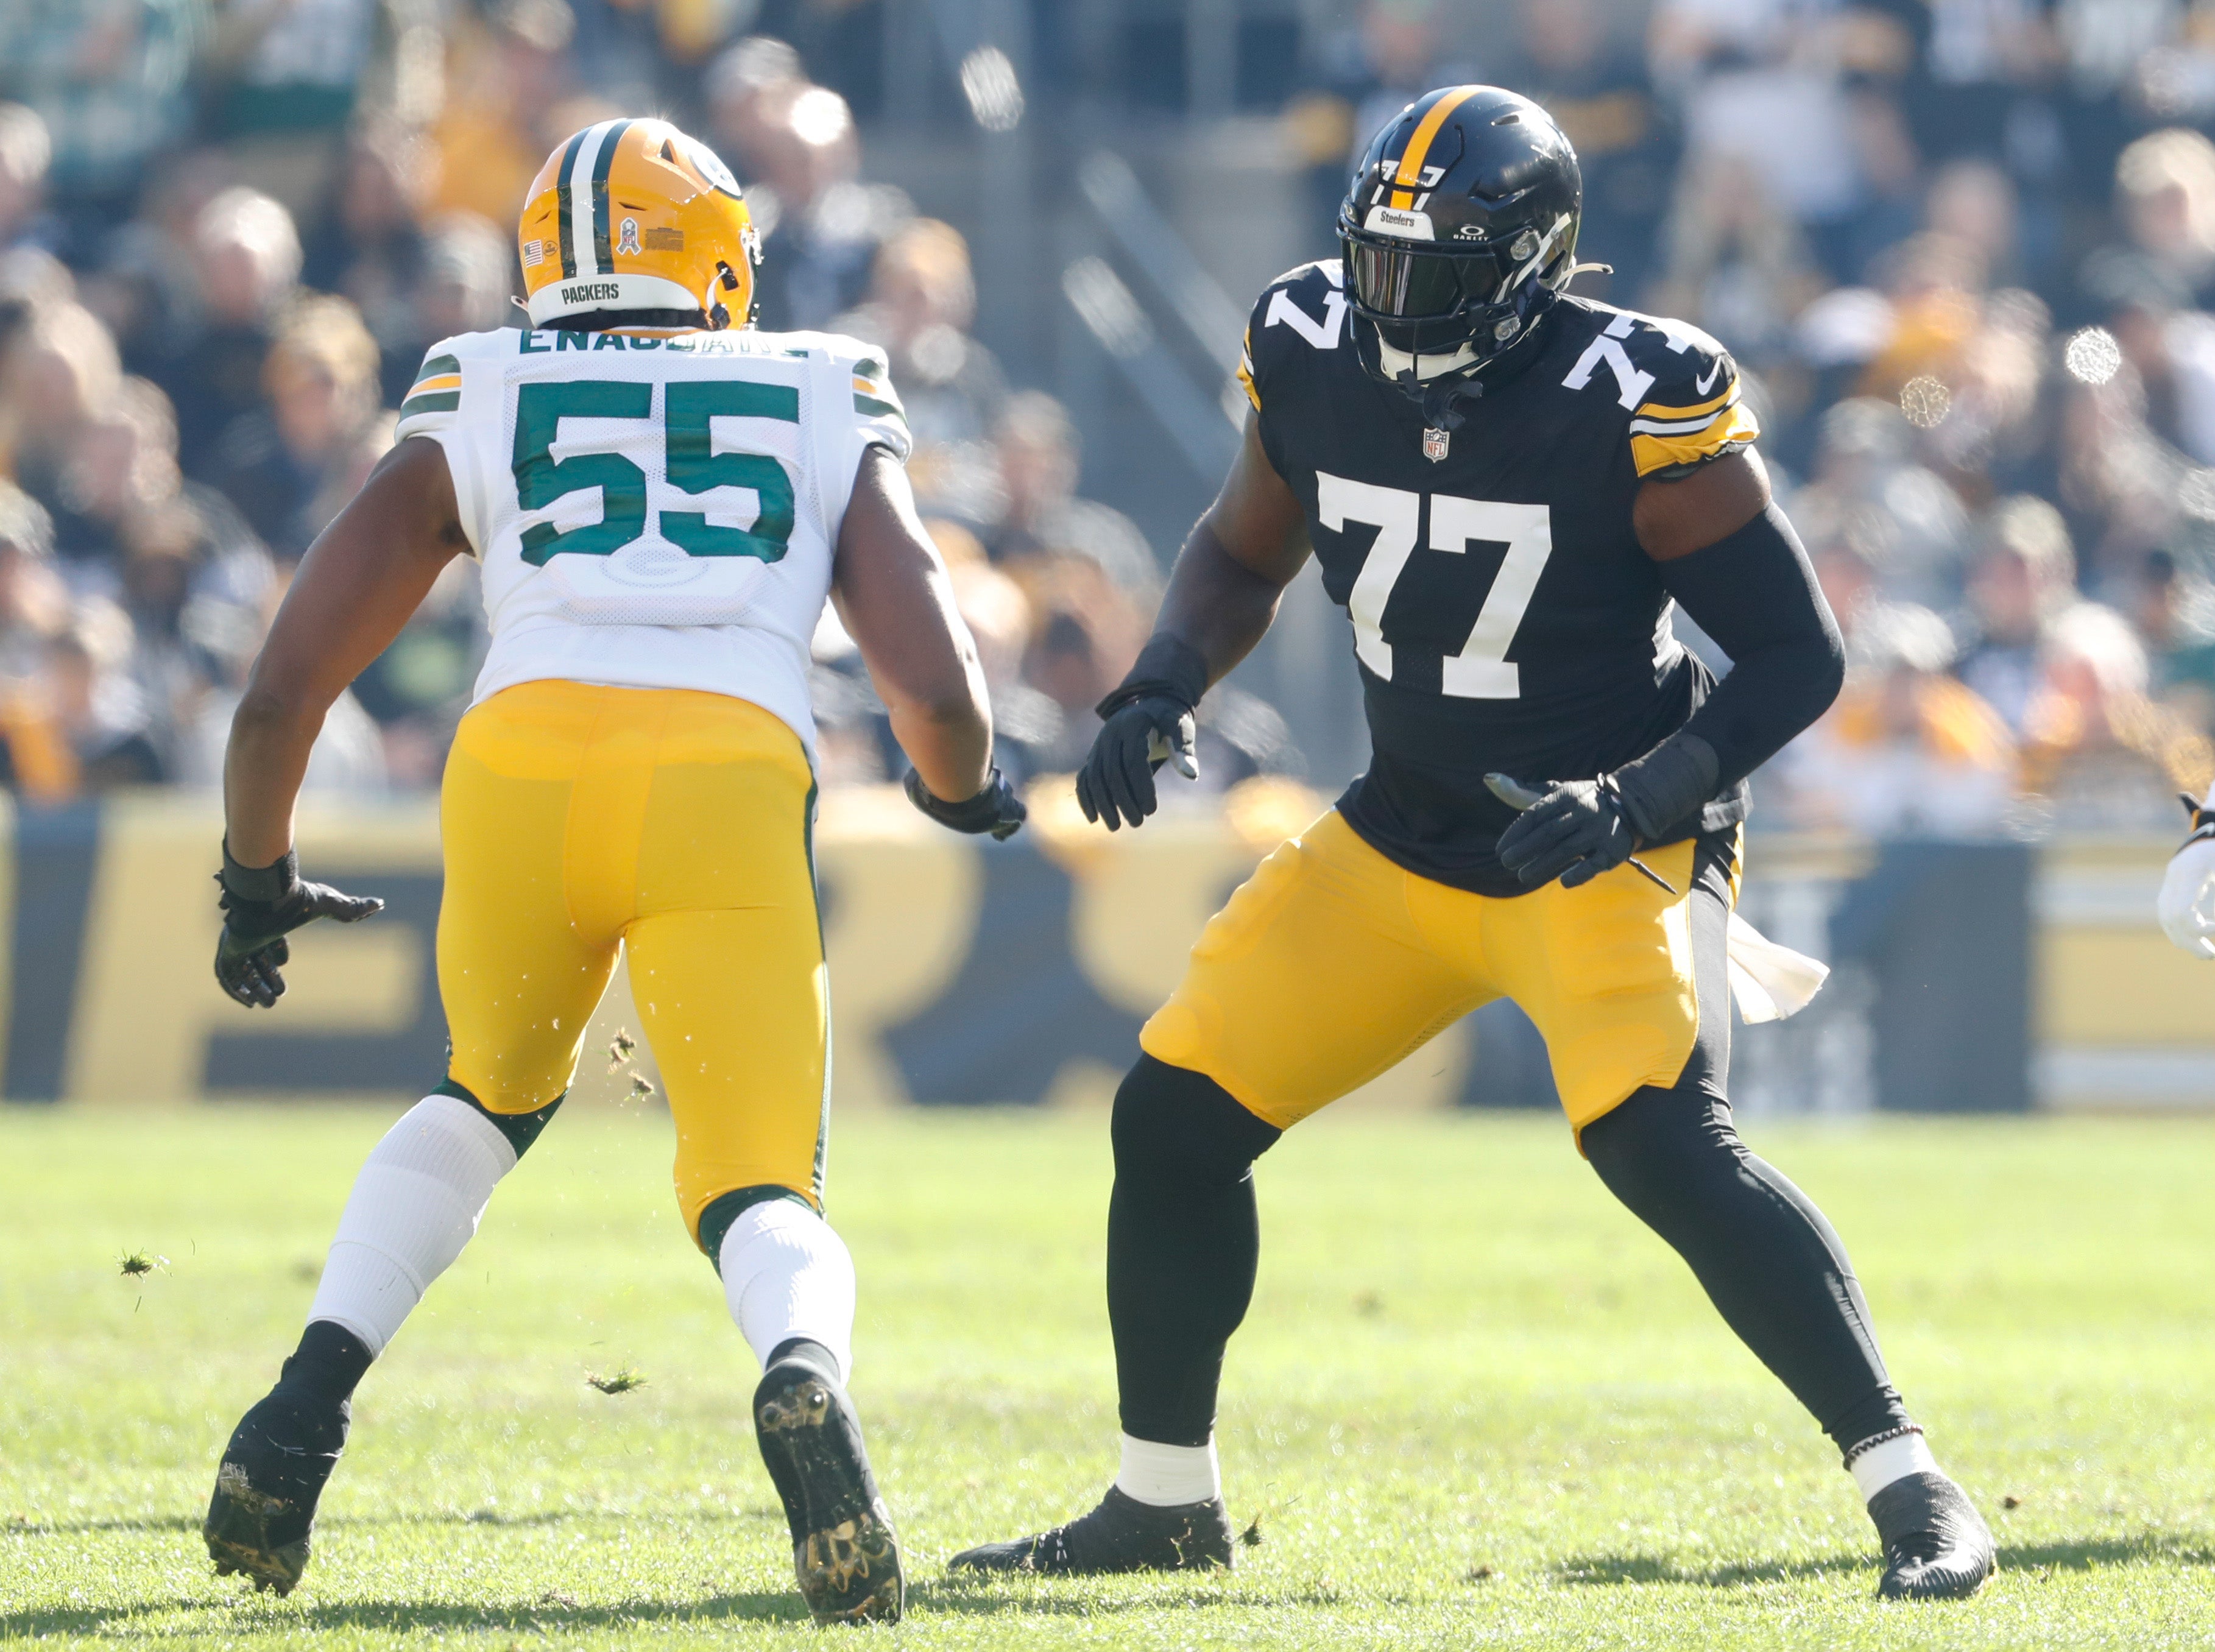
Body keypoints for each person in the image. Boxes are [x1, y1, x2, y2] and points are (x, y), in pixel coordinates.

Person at [950, 87, 1995, 1601]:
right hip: (1402, 830)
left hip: (1601, 837)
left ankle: (1913, 1486)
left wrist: (1643, 797)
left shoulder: (1636, 392)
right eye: (1375, 258)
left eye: (1429, 267)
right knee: (1174, 1119)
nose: (1388, 296)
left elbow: (1796, 657)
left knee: (1660, 1144)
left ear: (1525, 268)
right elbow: (1247, 546)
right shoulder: (1311, 340)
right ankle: (1161, 1499)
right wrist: (1164, 680)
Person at [197, 116, 1025, 1626]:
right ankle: (800, 1378)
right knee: (763, 1179)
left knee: (483, 1092)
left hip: (517, 773)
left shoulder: (481, 380)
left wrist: (254, 877)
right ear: (710, 255)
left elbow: (281, 691)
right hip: (722, 777)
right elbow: (940, 687)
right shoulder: (820, 379)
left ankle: (303, 1405)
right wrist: (962, 794)